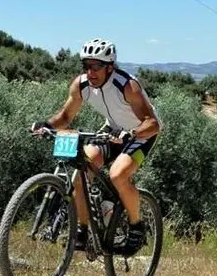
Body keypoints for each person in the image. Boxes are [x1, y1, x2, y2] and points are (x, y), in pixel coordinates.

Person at [30, 38, 162, 256]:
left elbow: (153, 123)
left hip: (141, 134)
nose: (90, 72)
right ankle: (82, 230)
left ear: (109, 67)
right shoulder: (81, 85)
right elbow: (65, 116)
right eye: (86, 66)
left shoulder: (127, 85)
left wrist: (131, 133)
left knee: (118, 175)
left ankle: (137, 227)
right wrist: (46, 125)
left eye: (96, 66)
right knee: (80, 171)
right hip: (112, 131)